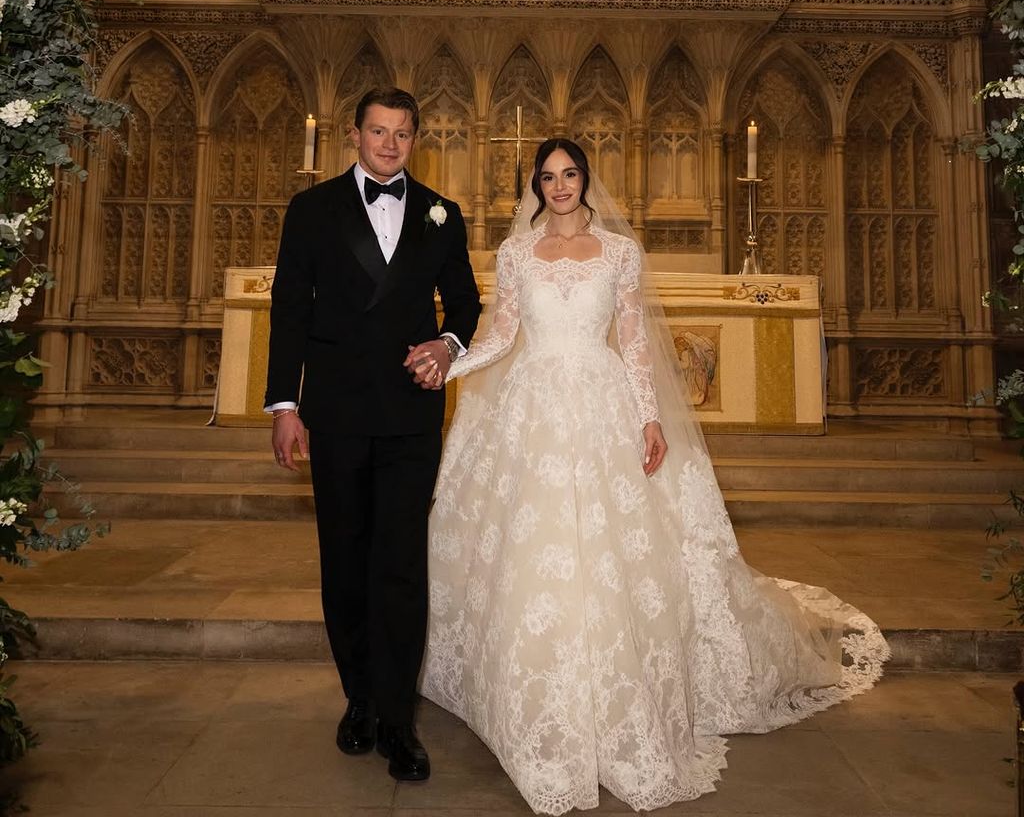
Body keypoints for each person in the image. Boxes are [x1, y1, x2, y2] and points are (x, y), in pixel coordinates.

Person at [420, 138, 888, 814]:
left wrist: (649, 419)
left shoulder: (619, 252)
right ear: (536, 185)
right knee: (535, 547)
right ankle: (535, 699)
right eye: (548, 177)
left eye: (570, 174)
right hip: (533, 405)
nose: (559, 186)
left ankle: (614, 698)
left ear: (586, 179)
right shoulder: (516, 252)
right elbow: (500, 336)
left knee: (613, 550)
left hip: (602, 402)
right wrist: (448, 365)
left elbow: (636, 342)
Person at [266, 87, 482, 783]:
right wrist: (283, 406)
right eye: (378, 131)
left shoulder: (441, 215)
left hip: (410, 417)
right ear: (354, 134)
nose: (390, 144)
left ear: (417, 139)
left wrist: (447, 345)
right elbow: (289, 310)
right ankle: (357, 696)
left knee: (400, 567)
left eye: (403, 134)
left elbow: (469, 303)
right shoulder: (312, 210)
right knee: (345, 562)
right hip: (335, 412)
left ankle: (397, 718)